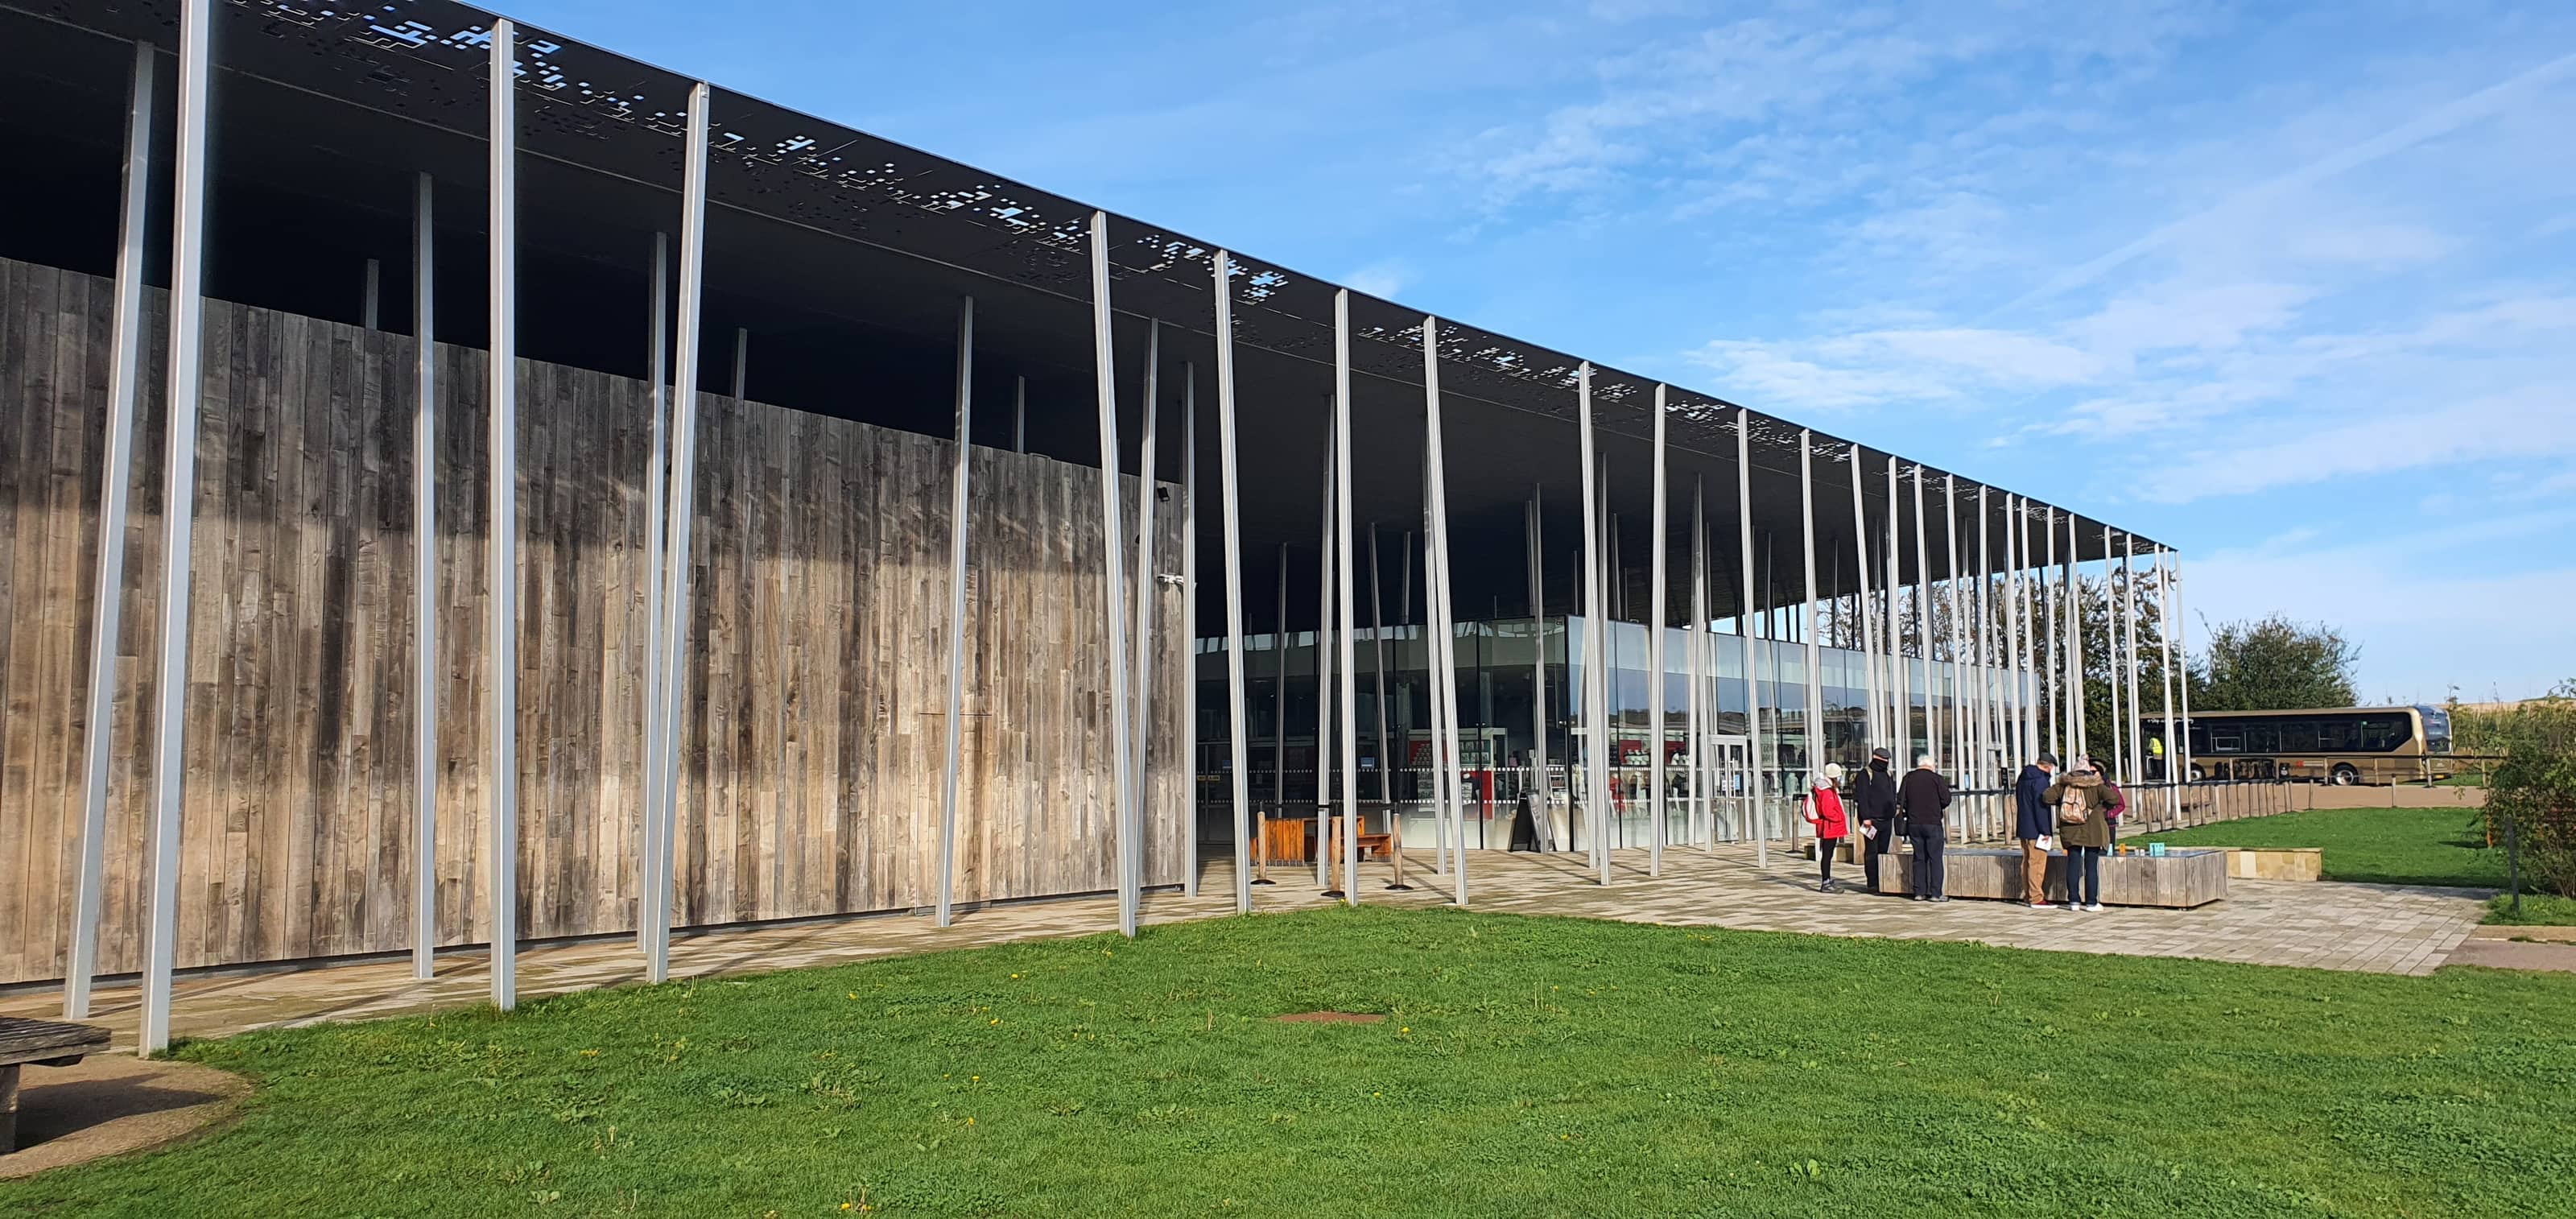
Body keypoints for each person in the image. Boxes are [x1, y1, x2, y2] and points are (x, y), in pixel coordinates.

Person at [2043, 757, 2116, 911]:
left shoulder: (2064, 785)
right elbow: (2114, 798)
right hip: (2093, 830)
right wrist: (2102, 807)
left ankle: (2074, 901)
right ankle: (2091, 902)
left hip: (2070, 831)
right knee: (2091, 867)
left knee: (2073, 865)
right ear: (2088, 772)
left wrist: (2062, 803)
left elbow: (2046, 797)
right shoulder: (2096, 785)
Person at [1897, 754, 1951, 901]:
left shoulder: (1908, 778)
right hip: (1932, 822)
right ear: (1931, 765)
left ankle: (1919, 892)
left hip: (1914, 823)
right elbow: (1946, 799)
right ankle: (1935, 893)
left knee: (1919, 858)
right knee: (1935, 858)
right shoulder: (1936, 779)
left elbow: (1901, 799)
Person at [2014, 752, 2059, 909]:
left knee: (2026, 861)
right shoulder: (2040, 781)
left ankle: (2028, 895)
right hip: (2036, 829)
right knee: (2037, 863)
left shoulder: (2023, 777)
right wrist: (2045, 831)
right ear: (2048, 766)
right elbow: (2041, 808)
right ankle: (2037, 897)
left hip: (2024, 826)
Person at [1855, 747, 1900, 893]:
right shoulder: (1865, 774)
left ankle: (1882, 881)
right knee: (1871, 851)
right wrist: (1866, 817)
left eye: (1887, 760)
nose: (1885, 762)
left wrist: (1894, 811)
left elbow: (1892, 794)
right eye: (1883, 759)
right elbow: (1862, 797)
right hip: (1871, 821)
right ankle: (1872, 883)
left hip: (1887, 819)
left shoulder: (1888, 774)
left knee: (1883, 851)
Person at [1802, 768, 1849, 892]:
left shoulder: (1823, 789)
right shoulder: (1827, 791)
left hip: (1828, 827)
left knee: (1827, 854)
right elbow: (1828, 811)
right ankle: (1826, 882)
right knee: (1827, 855)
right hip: (1830, 827)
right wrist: (1839, 817)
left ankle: (1826, 880)